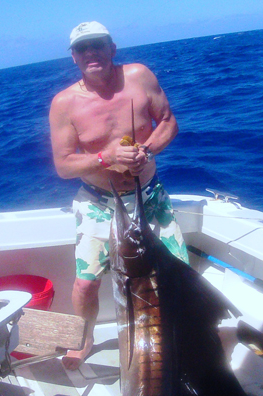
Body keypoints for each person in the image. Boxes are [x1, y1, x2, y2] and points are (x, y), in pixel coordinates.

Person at [49, 21, 189, 370]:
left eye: (97, 44)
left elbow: (168, 122)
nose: (91, 53)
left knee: (178, 272)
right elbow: (64, 166)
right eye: (82, 48)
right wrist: (105, 157)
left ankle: (181, 334)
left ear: (112, 48)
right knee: (85, 285)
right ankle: (85, 339)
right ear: (73, 57)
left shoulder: (139, 76)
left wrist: (148, 150)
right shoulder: (64, 103)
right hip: (98, 203)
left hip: (149, 198)